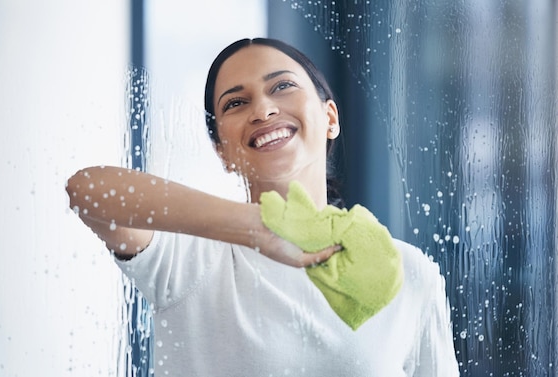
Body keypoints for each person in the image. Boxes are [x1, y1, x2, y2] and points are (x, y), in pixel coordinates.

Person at [66, 37, 460, 376]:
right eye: (235, 103)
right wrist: (257, 227)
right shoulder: (192, 260)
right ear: (222, 152)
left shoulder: (409, 273)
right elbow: (87, 189)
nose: (262, 110)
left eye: (283, 86)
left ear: (330, 117)